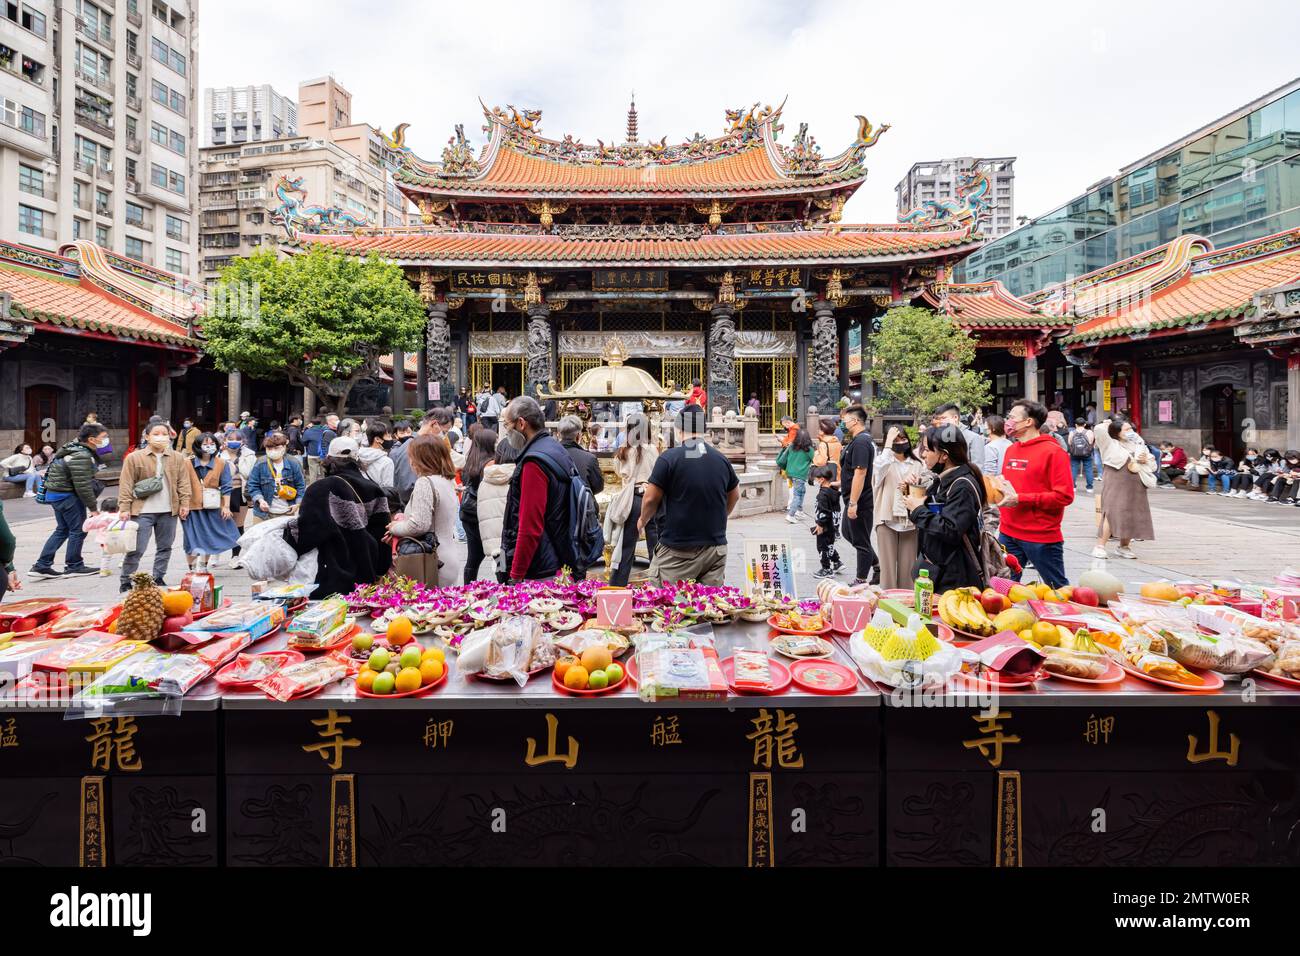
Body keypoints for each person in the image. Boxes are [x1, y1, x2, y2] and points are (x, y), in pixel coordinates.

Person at [639, 405, 739, 586]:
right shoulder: (720, 459)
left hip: (677, 550)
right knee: (709, 608)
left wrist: (642, 521)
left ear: (679, 429)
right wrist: (722, 515)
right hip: (715, 549)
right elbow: (735, 494)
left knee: (668, 606)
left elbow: (651, 498)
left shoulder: (669, 458)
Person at [286, 437, 392, 598]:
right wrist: (380, 570)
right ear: (357, 460)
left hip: (327, 576)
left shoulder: (318, 489)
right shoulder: (374, 489)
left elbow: (306, 535)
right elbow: (383, 537)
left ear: (328, 459)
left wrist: (286, 532)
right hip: (365, 574)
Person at [499, 397, 583, 583]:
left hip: (541, 565)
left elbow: (530, 527)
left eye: (507, 425)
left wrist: (515, 576)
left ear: (521, 423)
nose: (507, 432)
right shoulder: (555, 448)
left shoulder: (534, 462)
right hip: (560, 554)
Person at [997, 398, 1073, 589]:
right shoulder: (1011, 449)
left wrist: (1021, 499)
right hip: (1007, 532)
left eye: (1012, 417)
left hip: (1040, 536)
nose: (1008, 421)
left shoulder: (1054, 453)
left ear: (1028, 421)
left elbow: (1064, 496)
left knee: (1058, 590)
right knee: (1002, 587)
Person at [905, 425, 988, 592]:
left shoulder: (962, 486)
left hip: (954, 579)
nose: (923, 455)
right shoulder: (941, 480)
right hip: (937, 570)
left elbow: (951, 530)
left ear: (944, 456)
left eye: (928, 450)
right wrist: (911, 492)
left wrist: (919, 510)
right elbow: (924, 515)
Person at [116, 420, 192, 591]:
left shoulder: (177, 457)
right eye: (156, 434)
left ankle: (158, 576)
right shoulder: (134, 457)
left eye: (164, 434)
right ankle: (126, 580)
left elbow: (183, 482)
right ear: (147, 436)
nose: (161, 437)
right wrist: (124, 508)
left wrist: (184, 503)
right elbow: (126, 483)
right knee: (136, 548)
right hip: (142, 510)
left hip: (168, 510)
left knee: (165, 546)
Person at [386, 435, 466, 587]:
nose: (410, 462)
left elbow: (419, 525)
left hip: (431, 560)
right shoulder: (447, 480)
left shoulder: (425, 482)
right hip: (448, 555)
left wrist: (394, 527)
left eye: (411, 457)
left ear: (421, 459)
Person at [31, 422, 109, 577]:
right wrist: (93, 509)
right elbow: (83, 485)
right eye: (104, 437)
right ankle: (74, 565)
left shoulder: (73, 448)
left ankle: (42, 565)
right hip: (67, 496)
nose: (106, 440)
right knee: (78, 530)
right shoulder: (81, 455)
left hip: (56, 495)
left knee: (63, 530)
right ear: (92, 439)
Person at [605, 414, 660, 587]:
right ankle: (656, 585)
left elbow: (619, 471)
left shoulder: (623, 450)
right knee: (655, 543)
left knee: (626, 545)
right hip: (650, 496)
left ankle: (617, 585)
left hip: (632, 499)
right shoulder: (651, 448)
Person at [872, 426, 929, 590]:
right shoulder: (885, 462)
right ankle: (889, 609)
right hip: (886, 519)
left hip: (910, 521)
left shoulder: (918, 464)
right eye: (896, 440)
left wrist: (917, 482)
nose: (900, 443)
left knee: (908, 571)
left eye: (903, 439)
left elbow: (926, 488)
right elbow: (878, 470)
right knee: (887, 571)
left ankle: (907, 606)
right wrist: (888, 442)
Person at [1092, 418, 1156, 560]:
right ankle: (1100, 546)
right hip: (1116, 478)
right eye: (1126, 429)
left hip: (1136, 480)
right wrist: (1108, 422)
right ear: (1117, 432)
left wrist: (1146, 460)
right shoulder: (1109, 442)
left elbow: (1152, 463)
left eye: (1131, 429)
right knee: (1111, 511)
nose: (1130, 432)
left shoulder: (1138, 443)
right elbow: (1098, 430)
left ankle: (1124, 546)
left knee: (1132, 512)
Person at [181, 434, 240, 572]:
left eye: (212, 443)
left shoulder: (221, 463)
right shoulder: (186, 463)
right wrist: (182, 505)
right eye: (205, 444)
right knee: (192, 539)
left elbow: (226, 485)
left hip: (212, 506)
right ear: (197, 445)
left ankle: (203, 567)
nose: (209, 447)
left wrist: (226, 506)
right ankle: (192, 568)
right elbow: (181, 485)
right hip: (191, 507)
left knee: (209, 538)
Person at [839, 404, 877, 586]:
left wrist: (853, 503)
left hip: (860, 500)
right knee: (847, 532)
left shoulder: (861, 442)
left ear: (854, 421)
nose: (843, 422)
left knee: (861, 541)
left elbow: (860, 473)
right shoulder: (859, 440)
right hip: (852, 497)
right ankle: (877, 565)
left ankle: (861, 580)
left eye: (845, 419)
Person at [459, 428, 499, 584]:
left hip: (469, 513)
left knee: (473, 557)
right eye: (495, 441)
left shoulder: (471, 461)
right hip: (488, 514)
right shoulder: (491, 463)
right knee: (498, 553)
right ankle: (504, 587)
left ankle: (468, 588)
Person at [477, 437, 519, 582]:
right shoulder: (521, 475)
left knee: (503, 584)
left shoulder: (487, 479)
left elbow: (484, 516)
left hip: (497, 550)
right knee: (522, 590)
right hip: (518, 545)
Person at [244, 432, 307, 529]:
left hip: (286, 511)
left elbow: (301, 485)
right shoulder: (261, 463)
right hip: (263, 513)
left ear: (284, 447)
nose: (273, 451)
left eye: (276, 448)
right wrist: (260, 500)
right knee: (260, 541)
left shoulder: (293, 463)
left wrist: (298, 503)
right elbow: (252, 484)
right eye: (269, 448)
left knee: (283, 542)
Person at [392, 408, 447, 505]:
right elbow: (407, 488)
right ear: (434, 424)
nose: (444, 435)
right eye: (444, 431)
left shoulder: (424, 444)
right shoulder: (412, 447)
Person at [932, 403, 988, 474]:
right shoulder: (939, 437)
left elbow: (978, 469)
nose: (940, 422)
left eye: (943, 418)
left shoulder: (973, 438)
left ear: (955, 418)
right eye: (938, 419)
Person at [810, 464, 843, 579]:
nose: (814, 481)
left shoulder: (822, 495)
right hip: (832, 526)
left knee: (822, 547)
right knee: (829, 545)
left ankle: (826, 569)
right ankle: (837, 562)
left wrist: (819, 524)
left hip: (824, 526)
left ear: (822, 479)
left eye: (816, 478)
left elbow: (824, 512)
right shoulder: (832, 492)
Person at [557, 415, 603, 494]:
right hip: (582, 505)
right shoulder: (589, 458)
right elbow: (598, 487)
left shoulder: (549, 456)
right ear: (578, 436)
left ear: (559, 435)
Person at [776, 427, 813, 524]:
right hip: (800, 475)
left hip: (790, 473)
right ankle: (791, 514)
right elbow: (815, 459)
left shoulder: (792, 446)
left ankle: (799, 511)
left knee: (801, 490)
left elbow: (783, 458)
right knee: (797, 494)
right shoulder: (808, 449)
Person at [82, 497, 124, 577]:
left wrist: (85, 529)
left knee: (106, 555)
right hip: (120, 539)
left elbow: (88, 524)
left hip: (105, 541)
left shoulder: (101, 517)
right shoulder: (121, 515)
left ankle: (104, 571)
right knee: (126, 551)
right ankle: (123, 562)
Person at [357, 421, 396, 490]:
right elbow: (388, 488)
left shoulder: (358, 456)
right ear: (377, 439)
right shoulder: (386, 462)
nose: (391, 439)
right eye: (388, 436)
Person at [1066, 417, 1096, 493]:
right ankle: (1089, 488)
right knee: (1088, 469)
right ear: (1085, 424)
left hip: (1075, 453)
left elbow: (1069, 443)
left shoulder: (1072, 432)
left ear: (1075, 425)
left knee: (1073, 469)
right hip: (1087, 453)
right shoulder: (1089, 432)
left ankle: (1073, 487)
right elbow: (1091, 442)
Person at [811, 417, 843, 487]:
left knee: (824, 495)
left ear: (823, 431)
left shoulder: (823, 444)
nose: (817, 430)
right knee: (834, 495)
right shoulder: (837, 442)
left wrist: (816, 454)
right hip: (837, 473)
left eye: (819, 428)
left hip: (827, 475)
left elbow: (821, 461)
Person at [984, 415, 1012, 480]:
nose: (984, 428)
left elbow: (989, 473)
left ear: (992, 428)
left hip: (996, 484)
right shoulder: (1009, 443)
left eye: (986, 427)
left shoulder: (990, 447)